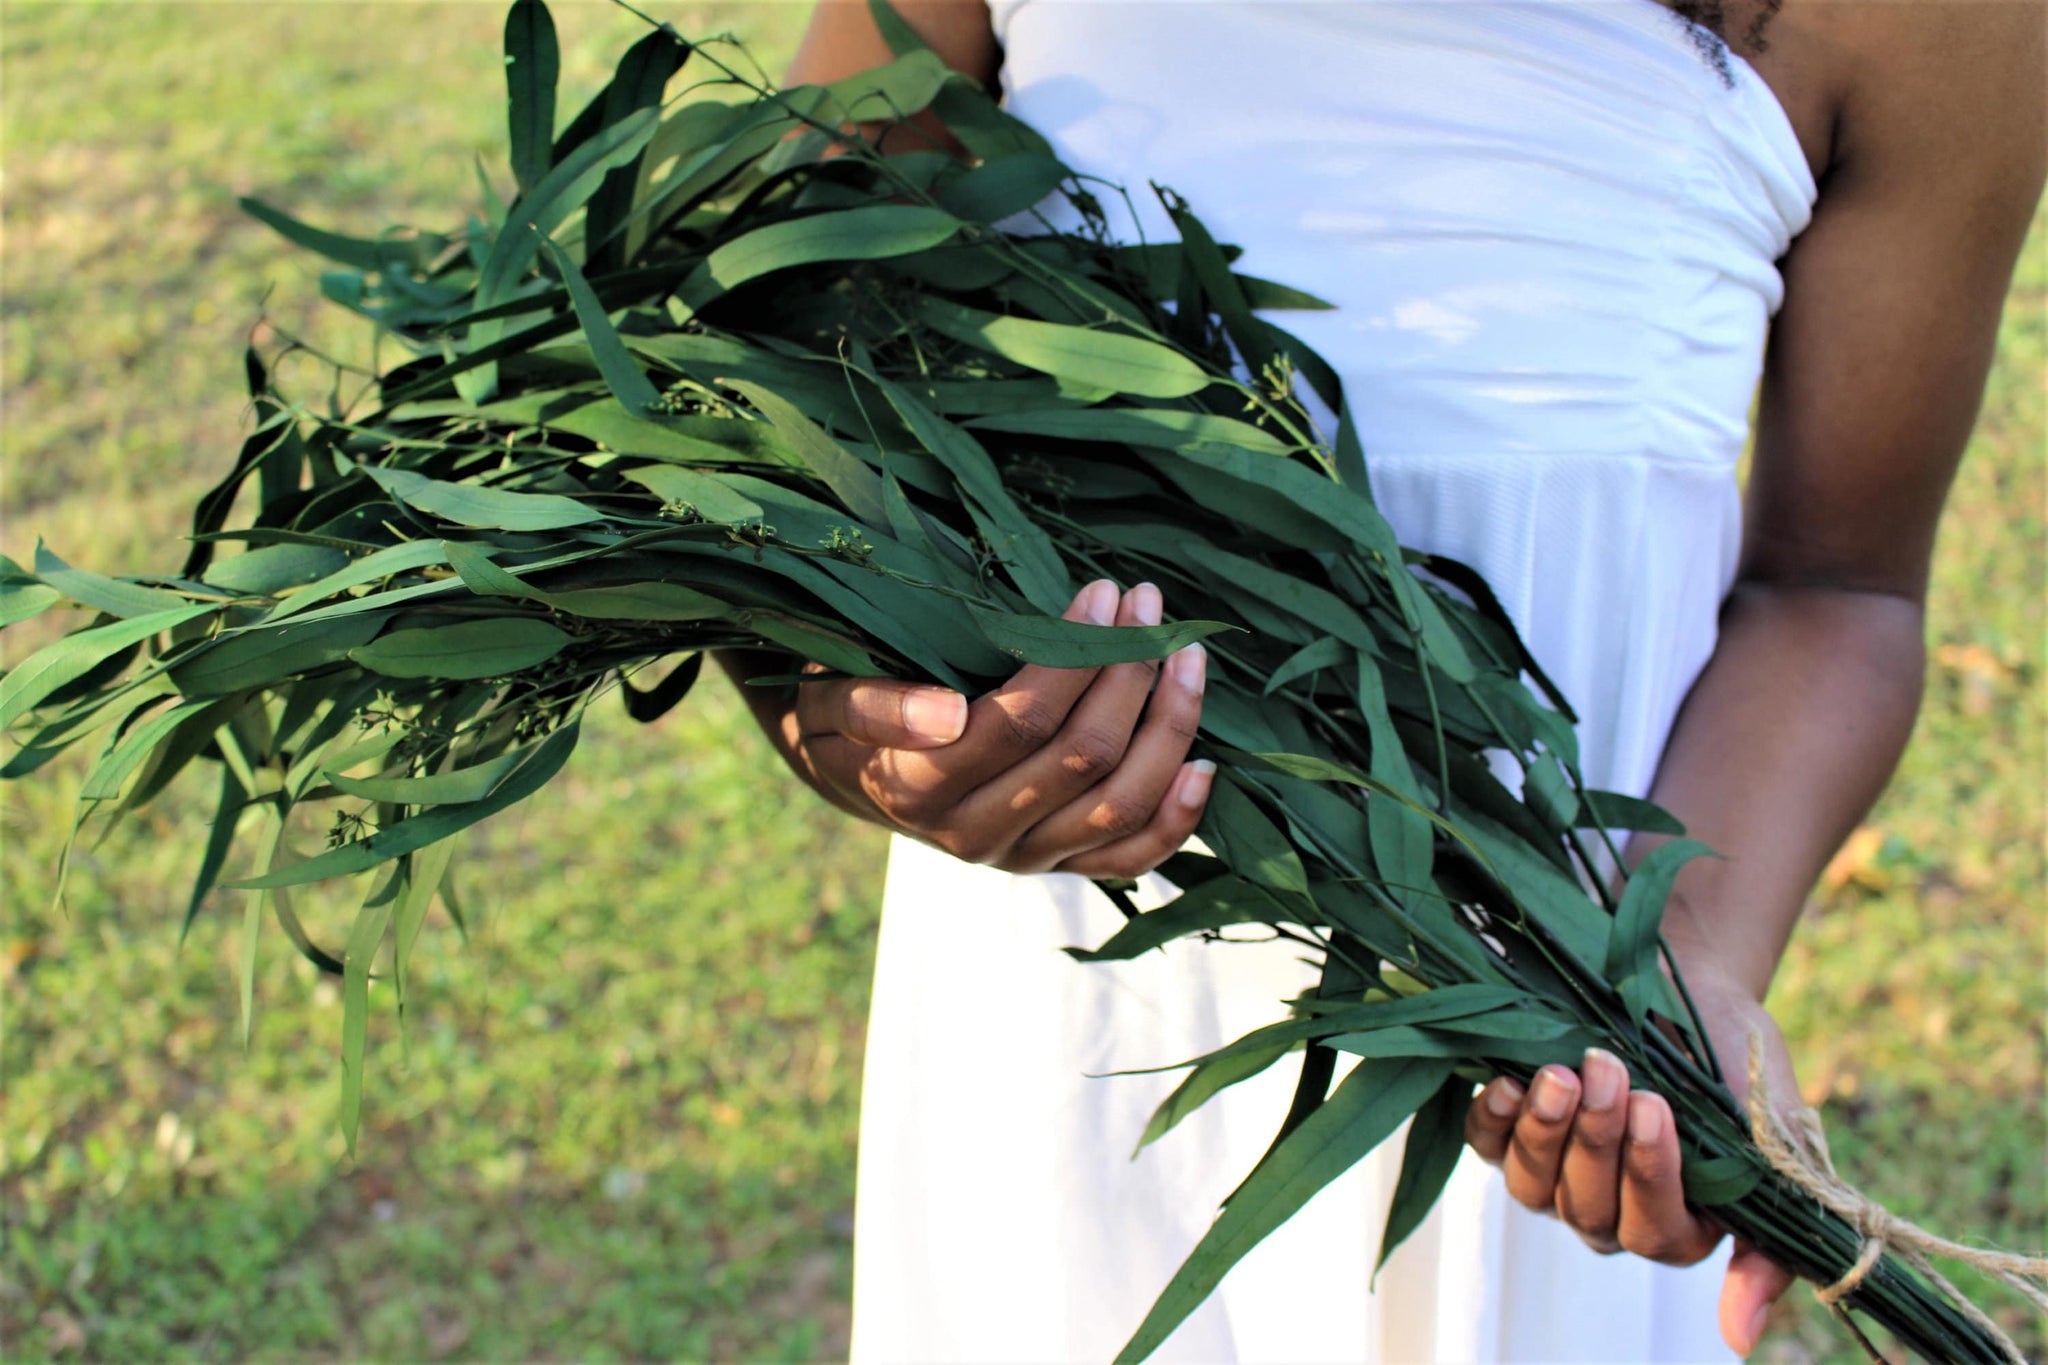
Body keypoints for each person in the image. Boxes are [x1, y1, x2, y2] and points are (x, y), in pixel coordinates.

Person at [718, 1, 2045, 1359]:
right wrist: (868, 734)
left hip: (1556, 1045)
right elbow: (764, 403)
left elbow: (1839, 588)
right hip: (1078, 1024)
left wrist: (1680, 955)